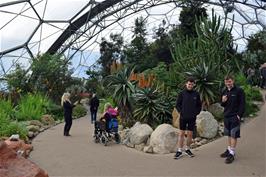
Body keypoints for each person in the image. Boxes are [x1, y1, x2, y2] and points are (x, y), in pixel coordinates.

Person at [174, 77, 202, 159]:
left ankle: (187, 149)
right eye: (189, 84)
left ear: (194, 85)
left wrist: (196, 113)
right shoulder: (182, 94)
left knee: (190, 134)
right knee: (181, 134)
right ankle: (179, 150)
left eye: (192, 84)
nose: (190, 85)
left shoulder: (196, 94)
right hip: (183, 117)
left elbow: (199, 105)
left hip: (192, 118)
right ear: (186, 84)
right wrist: (180, 112)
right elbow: (177, 105)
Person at [220, 75, 245, 164]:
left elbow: (242, 104)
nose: (228, 83)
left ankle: (232, 154)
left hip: (235, 116)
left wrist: (239, 115)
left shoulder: (239, 91)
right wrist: (223, 101)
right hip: (226, 116)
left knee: (234, 134)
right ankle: (229, 149)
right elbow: (222, 105)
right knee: (229, 134)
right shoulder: (224, 91)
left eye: (229, 81)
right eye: (226, 82)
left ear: (233, 81)